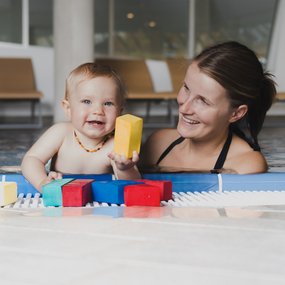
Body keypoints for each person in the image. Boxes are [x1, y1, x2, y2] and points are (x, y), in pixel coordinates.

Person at [140, 41, 276, 174]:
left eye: (203, 101)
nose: (184, 109)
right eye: (186, 88)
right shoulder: (157, 143)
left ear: (236, 113)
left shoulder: (245, 164)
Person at [21, 63, 141, 192]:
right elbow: (31, 159)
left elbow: (133, 185)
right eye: (87, 101)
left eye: (108, 103)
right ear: (68, 109)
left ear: (119, 112)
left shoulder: (115, 146)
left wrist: (125, 168)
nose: (98, 111)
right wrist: (42, 182)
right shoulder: (60, 133)